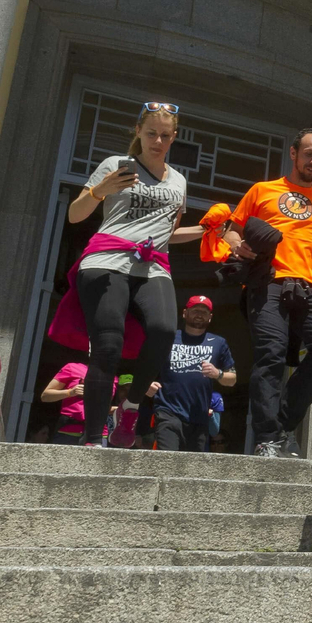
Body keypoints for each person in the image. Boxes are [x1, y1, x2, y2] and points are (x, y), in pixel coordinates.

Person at [61, 101, 202, 448]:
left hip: (153, 264)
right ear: (138, 131)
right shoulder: (114, 165)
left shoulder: (179, 180)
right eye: (151, 133)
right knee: (107, 346)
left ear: (174, 137)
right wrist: (100, 190)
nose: (157, 141)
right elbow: (75, 215)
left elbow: (168, 233)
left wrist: (207, 230)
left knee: (164, 329)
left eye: (165, 135)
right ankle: (93, 437)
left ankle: (131, 406)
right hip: (107, 260)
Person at [225, 129, 312, 459]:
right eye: (309, 153)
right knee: (271, 353)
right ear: (294, 153)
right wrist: (238, 247)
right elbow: (232, 231)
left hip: (309, 285)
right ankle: (267, 437)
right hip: (267, 282)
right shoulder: (262, 190)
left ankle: (281, 424)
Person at [151, 295, 236, 452]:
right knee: (167, 459)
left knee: (193, 464)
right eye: (195, 310)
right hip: (168, 411)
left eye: (204, 312)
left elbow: (232, 379)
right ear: (185, 313)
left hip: (199, 417)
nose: (199, 314)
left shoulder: (218, 342)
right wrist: (147, 384)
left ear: (210, 317)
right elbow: (148, 365)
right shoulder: (168, 338)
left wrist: (217, 373)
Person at [40, 362, 107, 445]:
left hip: (98, 433)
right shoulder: (72, 368)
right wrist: (70, 392)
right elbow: (45, 396)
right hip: (69, 431)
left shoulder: (112, 377)